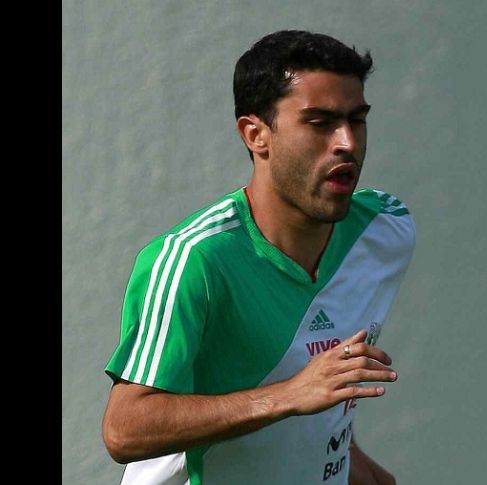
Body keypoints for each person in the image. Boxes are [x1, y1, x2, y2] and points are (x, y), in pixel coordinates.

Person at [101, 30, 415, 485]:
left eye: (356, 119)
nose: (347, 142)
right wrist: (288, 395)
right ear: (256, 135)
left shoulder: (385, 231)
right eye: (320, 122)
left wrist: (361, 472)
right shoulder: (194, 260)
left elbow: (313, 406)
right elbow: (124, 429)